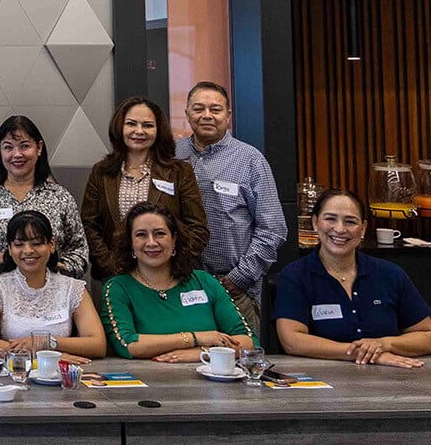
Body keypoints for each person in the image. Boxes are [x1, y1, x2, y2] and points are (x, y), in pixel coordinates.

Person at [275, 189, 431, 368]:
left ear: (363, 228)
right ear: (315, 222)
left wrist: (383, 344)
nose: (340, 229)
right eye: (330, 219)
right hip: (319, 385)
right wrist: (361, 353)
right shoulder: (295, 276)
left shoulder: (390, 274)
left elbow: (430, 336)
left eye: (350, 221)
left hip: (391, 382)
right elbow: (291, 340)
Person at [176, 81, 287, 332]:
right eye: (198, 109)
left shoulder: (251, 160)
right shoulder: (172, 155)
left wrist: (239, 277)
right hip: (181, 286)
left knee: (239, 360)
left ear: (228, 116)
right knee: (184, 359)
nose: (206, 115)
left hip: (235, 287)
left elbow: (273, 229)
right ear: (187, 114)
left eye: (215, 109)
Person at [98, 201, 255, 361]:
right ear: (131, 244)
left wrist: (202, 353)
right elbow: (129, 345)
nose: (151, 242)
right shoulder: (118, 288)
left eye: (160, 233)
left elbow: (248, 342)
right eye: (141, 235)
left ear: (174, 240)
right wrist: (194, 338)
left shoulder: (205, 282)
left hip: (212, 381)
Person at [82, 97, 207, 280]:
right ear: (120, 127)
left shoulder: (179, 172)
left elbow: (197, 229)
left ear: (158, 130)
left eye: (148, 125)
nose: (139, 131)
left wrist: (169, 264)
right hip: (114, 277)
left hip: (168, 278)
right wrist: (110, 265)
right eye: (131, 124)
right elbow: (89, 225)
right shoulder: (101, 172)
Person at [0, 116, 88, 278]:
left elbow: (79, 250)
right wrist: (0, 258)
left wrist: (51, 268)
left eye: (25, 146)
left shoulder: (59, 196)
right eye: (8, 147)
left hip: (52, 291)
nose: (17, 154)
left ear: (39, 147)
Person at [0, 211, 105, 362]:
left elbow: (97, 344)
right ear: (9, 248)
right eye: (19, 244)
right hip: (13, 373)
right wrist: (43, 356)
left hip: (60, 374)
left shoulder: (72, 288)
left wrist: (46, 342)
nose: (28, 250)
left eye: (36, 243)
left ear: (51, 245)